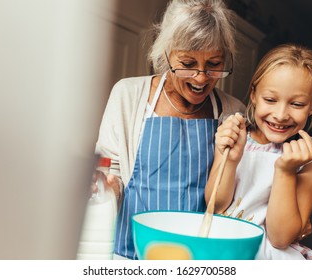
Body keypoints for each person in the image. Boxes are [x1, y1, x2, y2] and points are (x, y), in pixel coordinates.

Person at [94, 0, 245, 260]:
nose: (200, 78)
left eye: (213, 64)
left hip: (197, 258)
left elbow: (236, 195)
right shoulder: (128, 95)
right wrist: (105, 187)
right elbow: (112, 173)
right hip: (129, 254)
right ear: (166, 54)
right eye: (187, 63)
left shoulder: (232, 111)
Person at [205, 43, 312, 259]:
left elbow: (281, 237)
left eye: (297, 104)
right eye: (270, 100)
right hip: (221, 251)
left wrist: (285, 170)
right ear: (254, 94)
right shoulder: (234, 133)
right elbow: (215, 206)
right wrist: (231, 160)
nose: (281, 114)